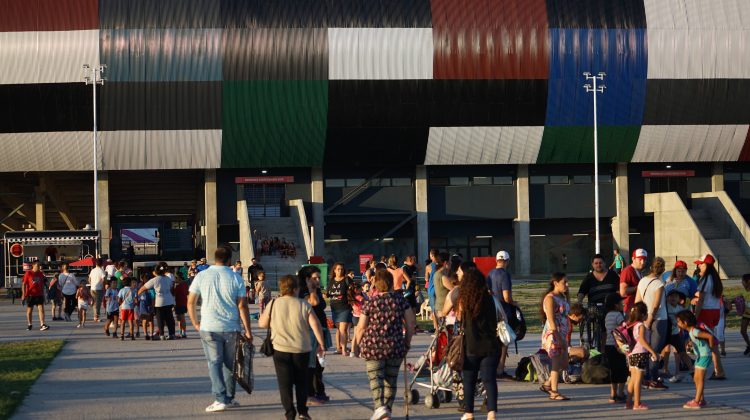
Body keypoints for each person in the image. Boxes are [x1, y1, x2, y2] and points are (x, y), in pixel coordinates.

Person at [188, 246, 253, 413]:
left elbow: (191, 301)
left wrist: (196, 323)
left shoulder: (201, 276)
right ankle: (229, 397)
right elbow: (242, 305)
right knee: (230, 364)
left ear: (213, 258)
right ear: (230, 259)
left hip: (209, 326)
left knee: (214, 363)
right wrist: (248, 330)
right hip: (231, 326)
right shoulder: (235, 277)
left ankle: (220, 398)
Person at [259, 275, 325, 420]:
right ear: (296, 288)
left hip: (280, 349)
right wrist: (321, 344)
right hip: (301, 350)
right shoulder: (304, 304)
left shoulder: (273, 303)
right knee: (301, 382)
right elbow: (316, 325)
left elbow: (262, 323)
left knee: (285, 384)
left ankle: (290, 413)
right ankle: (302, 411)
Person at [355, 269, 416, 420]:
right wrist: (407, 342)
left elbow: (361, 327)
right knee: (391, 380)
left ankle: (380, 409)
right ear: (391, 283)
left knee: (376, 380)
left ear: (375, 283)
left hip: (373, 347)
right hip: (395, 346)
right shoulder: (400, 301)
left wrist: (356, 345)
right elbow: (411, 323)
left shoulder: (370, 302)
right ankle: (386, 411)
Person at [457, 268, 500, 420]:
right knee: (489, 380)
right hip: (490, 344)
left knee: (469, 380)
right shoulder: (489, 298)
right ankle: (491, 412)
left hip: (471, 345)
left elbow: (459, 319)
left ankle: (469, 413)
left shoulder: (465, 300)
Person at [298, 266, 331, 405]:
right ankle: (311, 393)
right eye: (314, 278)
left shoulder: (316, 290)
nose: (318, 280)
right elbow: (314, 303)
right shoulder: (304, 291)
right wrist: (311, 289)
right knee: (312, 364)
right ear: (307, 279)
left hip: (321, 328)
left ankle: (319, 390)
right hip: (311, 331)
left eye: (319, 277)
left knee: (319, 364)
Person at [635, 256, 668, 390]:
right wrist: (650, 319)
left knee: (645, 349)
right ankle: (652, 379)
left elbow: (637, 301)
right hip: (658, 320)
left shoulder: (642, 281)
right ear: (663, 270)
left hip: (643, 319)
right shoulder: (659, 284)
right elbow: (655, 306)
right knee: (654, 350)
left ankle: (644, 378)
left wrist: (641, 319)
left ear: (650, 267)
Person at [692, 254, 726, 379]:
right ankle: (717, 369)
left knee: (711, 342)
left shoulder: (705, 279)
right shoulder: (715, 278)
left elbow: (701, 300)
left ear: (707, 265)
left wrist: (695, 316)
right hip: (715, 311)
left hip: (706, 311)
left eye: (701, 264)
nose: (699, 266)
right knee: (710, 340)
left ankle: (719, 370)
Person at [577, 254, 621, 350]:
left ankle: (608, 347)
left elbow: (619, 291)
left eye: (600, 263)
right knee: (598, 322)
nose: (598, 265)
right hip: (595, 308)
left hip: (610, 308)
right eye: (596, 263)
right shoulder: (589, 278)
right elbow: (581, 292)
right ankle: (599, 348)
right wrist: (579, 302)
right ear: (593, 265)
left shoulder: (612, 275)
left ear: (605, 263)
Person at [540, 272, 571, 401]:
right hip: (554, 334)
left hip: (562, 333)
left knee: (564, 364)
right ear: (555, 283)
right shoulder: (550, 298)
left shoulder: (562, 297)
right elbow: (551, 320)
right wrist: (558, 337)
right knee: (556, 362)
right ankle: (554, 392)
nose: (567, 285)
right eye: (564, 282)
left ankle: (547, 384)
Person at [676, 310, 715, 409]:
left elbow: (710, 336)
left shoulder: (695, 331)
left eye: (678, 321)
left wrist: (710, 348)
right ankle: (702, 400)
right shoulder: (691, 331)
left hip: (704, 356)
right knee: (696, 378)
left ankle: (697, 401)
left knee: (700, 379)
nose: (678, 323)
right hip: (700, 356)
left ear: (685, 322)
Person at [486, 250, 514, 379]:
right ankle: (500, 367)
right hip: (503, 311)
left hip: (491, 309)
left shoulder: (490, 274)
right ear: (507, 261)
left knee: (494, 339)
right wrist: (516, 304)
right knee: (504, 339)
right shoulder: (505, 275)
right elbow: (506, 297)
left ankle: (492, 366)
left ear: (496, 260)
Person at [626, 302, 659, 410]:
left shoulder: (632, 325)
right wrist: (652, 352)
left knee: (633, 379)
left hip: (632, 354)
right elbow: (642, 340)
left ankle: (629, 402)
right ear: (643, 315)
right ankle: (637, 403)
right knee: (638, 381)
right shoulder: (641, 326)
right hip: (640, 354)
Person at [138, 262, 176, 340]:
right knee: (170, 318)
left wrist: (137, 296)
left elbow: (143, 288)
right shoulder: (168, 279)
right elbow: (171, 288)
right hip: (169, 300)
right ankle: (172, 334)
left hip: (159, 302)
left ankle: (161, 334)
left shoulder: (154, 280)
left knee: (160, 319)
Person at [662, 290, 693, 383]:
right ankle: (661, 370)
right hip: (664, 334)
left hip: (675, 334)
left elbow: (685, 321)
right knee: (661, 352)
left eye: (675, 296)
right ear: (667, 298)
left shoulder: (680, 309)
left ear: (679, 299)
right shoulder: (665, 308)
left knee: (682, 352)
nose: (673, 298)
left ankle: (692, 370)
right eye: (671, 296)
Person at [603, 293, 627, 404]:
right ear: (616, 305)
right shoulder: (618, 315)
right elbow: (624, 328)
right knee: (622, 370)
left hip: (609, 346)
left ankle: (612, 394)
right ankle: (621, 393)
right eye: (621, 303)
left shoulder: (607, 315)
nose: (623, 304)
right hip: (618, 346)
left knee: (613, 371)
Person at [326, 262, 353, 356]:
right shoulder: (332, 280)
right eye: (338, 269)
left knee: (343, 329)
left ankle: (344, 349)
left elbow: (352, 290)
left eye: (341, 269)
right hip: (334, 307)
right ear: (334, 270)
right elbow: (328, 293)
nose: (340, 271)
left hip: (345, 306)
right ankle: (338, 348)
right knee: (339, 329)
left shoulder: (347, 279)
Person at [22, 261, 49, 331]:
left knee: (41, 309)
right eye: (37, 265)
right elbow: (24, 284)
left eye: (39, 265)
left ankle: (42, 324)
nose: (39, 267)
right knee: (29, 310)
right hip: (30, 294)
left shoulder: (40, 274)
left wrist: (44, 294)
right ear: (33, 265)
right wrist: (23, 294)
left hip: (39, 294)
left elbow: (44, 283)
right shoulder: (28, 273)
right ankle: (29, 324)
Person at [620, 248, 647, 313]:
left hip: (637, 309)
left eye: (644, 260)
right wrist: (639, 287)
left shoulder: (640, 272)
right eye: (640, 259)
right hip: (630, 309)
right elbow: (623, 292)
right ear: (633, 259)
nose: (642, 262)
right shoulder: (627, 271)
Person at [433, 252, 451, 317]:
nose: (451, 263)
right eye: (450, 261)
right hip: (443, 308)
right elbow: (453, 289)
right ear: (445, 263)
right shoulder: (442, 276)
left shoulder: (437, 273)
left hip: (439, 306)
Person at [425, 249, 440, 332]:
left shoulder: (428, 267)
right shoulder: (441, 265)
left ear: (431, 255)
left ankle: (436, 328)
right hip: (439, 288)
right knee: (440, 308)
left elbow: (426, 278)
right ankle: (441, 326)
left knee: (434, 309)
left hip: (431, 289)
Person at [89, 258, 106, 322]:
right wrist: (103, 287)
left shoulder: (92, 270)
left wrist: (91, 284)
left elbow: (89, 279)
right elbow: (104, 280)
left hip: (92, 288)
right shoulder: (101, 271)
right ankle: (97, 317)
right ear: (102, 264)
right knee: (98, 303)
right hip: (99, 289)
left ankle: (95, 316)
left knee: (94, 303)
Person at [138, 274, 155, 340]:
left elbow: (153, 298)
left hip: (145, 306)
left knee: (149, 321)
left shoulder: (150, 288)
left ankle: (149, 334)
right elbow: (153, 298)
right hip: (145, 306)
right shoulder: (142, 287)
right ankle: (148, 334)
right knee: (149, 321)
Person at [173, 272, 189, 338]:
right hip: (183, 303)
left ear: (178, 278)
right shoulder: (185, 284)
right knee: (180, 318)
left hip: (179, 303)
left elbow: (173, 293)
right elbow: (187, 293)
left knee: (181, 318)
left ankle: (183, 332)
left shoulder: (178, 286)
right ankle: (182, 332)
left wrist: (173, 286)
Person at [741, 274, 750, 356]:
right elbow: (740, 298)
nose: (742, 283)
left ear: (748, 282)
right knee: (743, 331)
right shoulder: (744, 291)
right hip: (746, 314)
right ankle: (749, 345)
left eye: (743, 281)